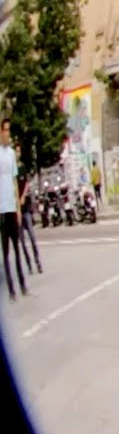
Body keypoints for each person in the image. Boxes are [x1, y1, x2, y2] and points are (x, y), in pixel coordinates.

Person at [0, 119, 28, 301]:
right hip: (1, 210)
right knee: (6, 252)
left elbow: (14, 182)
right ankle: (11, 289)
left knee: (17, 249)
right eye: (5, 131)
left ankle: (22, 283)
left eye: (9, 131)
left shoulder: (11, 154)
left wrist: (18, 209)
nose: (8, 135)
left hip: (11, 208)